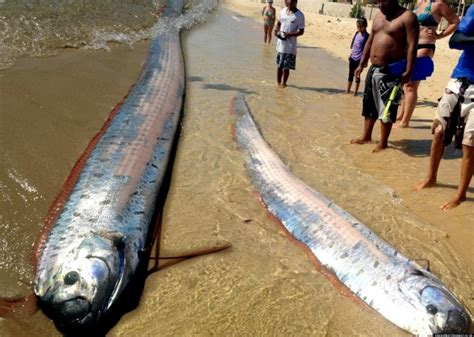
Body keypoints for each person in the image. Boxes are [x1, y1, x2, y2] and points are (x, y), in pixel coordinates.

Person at [415, 4, 474, 210]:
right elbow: (455, 40)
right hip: (459, 79)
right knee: (439, 130)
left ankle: (460, 195)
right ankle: (431, 177)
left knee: (470, 143)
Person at [350, 0, 419, 152]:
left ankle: (383, 142)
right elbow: (369, 41)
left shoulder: (407, 17)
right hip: (373, 69)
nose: (380, 4)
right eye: (378, 1)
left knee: (387, 108)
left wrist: (408, 71)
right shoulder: (378, 16)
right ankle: (366, 136)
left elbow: (412, 46)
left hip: (392, 70)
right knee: (369, 103)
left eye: (384, 1)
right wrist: (361, 64)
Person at [396, 0, 459, 128]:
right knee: (406, 83)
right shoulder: (419, 1)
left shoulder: (438, 3)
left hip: (425, 46)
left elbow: (455, 21)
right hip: (411, 46)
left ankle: (405, 122)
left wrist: (440, 36)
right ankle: (401, 116)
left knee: (411, 85)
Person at [274, 0, 305, 88]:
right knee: (279, 66)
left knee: (286, 67)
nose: (290, 4)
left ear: (296, 2)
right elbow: (279, 23)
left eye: (292, 2)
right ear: (286, 2)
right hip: (280, 44)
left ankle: (284, 84)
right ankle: (278, 84)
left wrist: (290, 35)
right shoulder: (282, 11)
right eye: (288, 2)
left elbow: (301, 31)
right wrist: (276, 30)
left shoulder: (300, 15)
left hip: (290, 47)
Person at [345, 17, 370, 96]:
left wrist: (365, 61)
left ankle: (355, 93)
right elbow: (354, 45)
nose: (359, 28)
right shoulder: (356, 33)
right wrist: (351, 54)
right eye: (358, 27)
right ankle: (348, 90)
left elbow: (368, 50)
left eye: (360, 27)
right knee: (350, 74)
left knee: (357, 76)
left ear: (365, 26)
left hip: (360, 60)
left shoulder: (367, 36)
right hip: (353, 57)